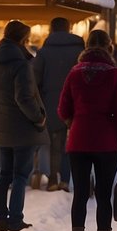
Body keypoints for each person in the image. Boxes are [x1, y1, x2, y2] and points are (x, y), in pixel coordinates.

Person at [59, 29, 117, 231]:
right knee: (103, 195)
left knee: (80, 194)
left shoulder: (74, 73)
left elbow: (63, 109)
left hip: (79, 140)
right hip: (107, 142)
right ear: (109, 47)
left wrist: (76, 120)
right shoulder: (113, 74)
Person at [0, 20, 47, 231]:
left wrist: (1, 107)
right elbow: (24, 98)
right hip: (23, 127)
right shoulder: (21, 65)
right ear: (22, 39)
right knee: (20, 175)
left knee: (4, 174)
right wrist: (39, 118)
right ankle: (15, 219)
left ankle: (0, 219)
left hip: (0, 124)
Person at [31, 17, 83, 192]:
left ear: (51, 29)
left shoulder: (45, 51)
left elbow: (35, 79)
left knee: (55, 143)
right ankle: (66, 180)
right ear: (69, 28)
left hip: (52, 102)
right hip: (77, 102)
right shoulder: (79, 50)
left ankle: (53, 178)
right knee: (72, 143)